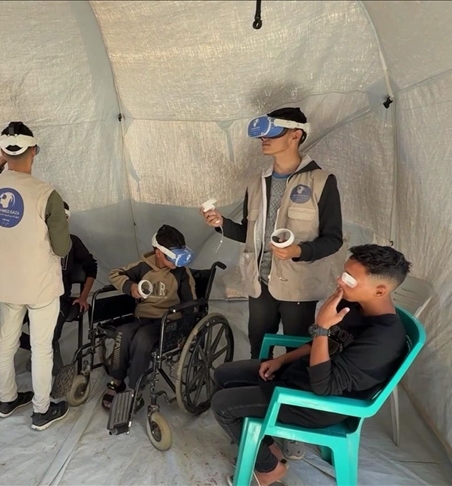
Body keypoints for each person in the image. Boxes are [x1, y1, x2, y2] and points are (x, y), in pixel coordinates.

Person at [211, 245, 411, 486]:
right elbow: (325, 344)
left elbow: (323, 386)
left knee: (222, 405)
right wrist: (281, 360)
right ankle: (267, 447)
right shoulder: (356, 306)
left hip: (317, 403)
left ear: (380, 291)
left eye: (349, 279)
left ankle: (269, 470)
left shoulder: (382, 340)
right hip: (301, 375)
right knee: (223, 374)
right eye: (344, 273)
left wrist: (322, 328)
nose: (340, 280)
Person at [201, 107, 344, 362]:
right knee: (258, 349)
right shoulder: (256, 183)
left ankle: (287, 388)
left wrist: (298, 251)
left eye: (273, 133)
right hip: (260, 285)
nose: (264, 139)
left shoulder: (322, 181)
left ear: (296, 135)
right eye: (262, 135)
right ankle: (258, 386)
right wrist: (221, 223)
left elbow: (333, 239)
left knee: (296, 352)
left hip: (298, 286)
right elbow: (249, 233)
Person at [0, 121, 71, 431]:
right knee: (41, 348)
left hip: (4, 283)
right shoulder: (47, 194)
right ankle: (41, 410)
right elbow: (62, 247)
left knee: (5, 342)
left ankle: (7, 399)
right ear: (34, 151)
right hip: (39, 284)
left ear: (3, 153)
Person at [101, 225, 197, 409]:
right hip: (143, 317)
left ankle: (134, 388)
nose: (177, 261)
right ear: (158, 253)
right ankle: (117, 380)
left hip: (168, 321)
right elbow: (115, 274)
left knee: (143, 338)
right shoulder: (143, 266)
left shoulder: (181, 273)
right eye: (172, 257)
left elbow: (190, 304)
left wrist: (186, 331)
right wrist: (131, 287)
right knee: (122, 333)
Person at [18, 201, 98, 377]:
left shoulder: (72, 242)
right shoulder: (35, 242)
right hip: (33, 295)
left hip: (58, 297)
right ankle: (41, 351)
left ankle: (46, 355)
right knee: (10, 331)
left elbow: (91, 268)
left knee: (50, 334)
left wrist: (83, 297)